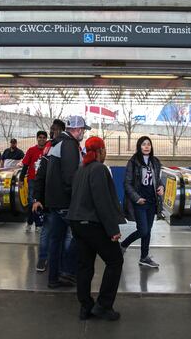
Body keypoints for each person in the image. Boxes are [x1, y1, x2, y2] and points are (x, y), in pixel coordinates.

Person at [68, 136, 126, 321]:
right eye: (104, 149)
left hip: (77, 223)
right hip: (92, 224)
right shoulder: (100, 169)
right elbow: (102, 202)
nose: (106, 152)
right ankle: (103, 305)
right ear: (100, 151)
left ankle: (85, 306)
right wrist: (112, 229)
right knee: (115, 261)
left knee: (85, 265)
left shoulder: (81, 170)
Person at [43, 116, 90, 288]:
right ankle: (67, 272)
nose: (83, 133)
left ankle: (54, 277)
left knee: (56, 240)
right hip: (65, 203)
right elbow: (70, 178)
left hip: (55, 201)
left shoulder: (57, 143)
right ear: (77, 130)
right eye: (83, 130)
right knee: (81, 236)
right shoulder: (69, 145)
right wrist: (78, 200)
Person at [120, 136, 164, 268]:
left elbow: (158, 180)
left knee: (148, 230)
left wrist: (162, 187)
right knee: (143, 230)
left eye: (148, 144)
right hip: (139, 202)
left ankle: (144, 257)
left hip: (152, 201)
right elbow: (127, 183)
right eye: (144, 144)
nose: (146, 146)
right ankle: (123, 245)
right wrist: (136, 198)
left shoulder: (155, 162)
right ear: (139, 146)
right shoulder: (133, 162)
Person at [32, 119, 66, 273]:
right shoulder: (47, 151)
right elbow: (39, 177)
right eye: (53, 129)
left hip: (63, 201)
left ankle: (57, 260)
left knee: (62, 233)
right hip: (48, 201)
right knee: (47, 230)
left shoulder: (69, 149)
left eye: (57, 129)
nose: (54, 132)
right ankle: (43, 258)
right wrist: (37, 199)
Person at [20, 130, 48, 232]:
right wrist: (21, 179)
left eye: (44, 137)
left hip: (44, 181)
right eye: (40, 137)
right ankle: (30, 222)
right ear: (37, 138)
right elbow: (25, 165)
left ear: (46, 139)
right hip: (32, 180)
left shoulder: (48, 150)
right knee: (32, 202)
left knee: (41, 203)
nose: (41, 139)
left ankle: (38, 224)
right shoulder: (31, 150)